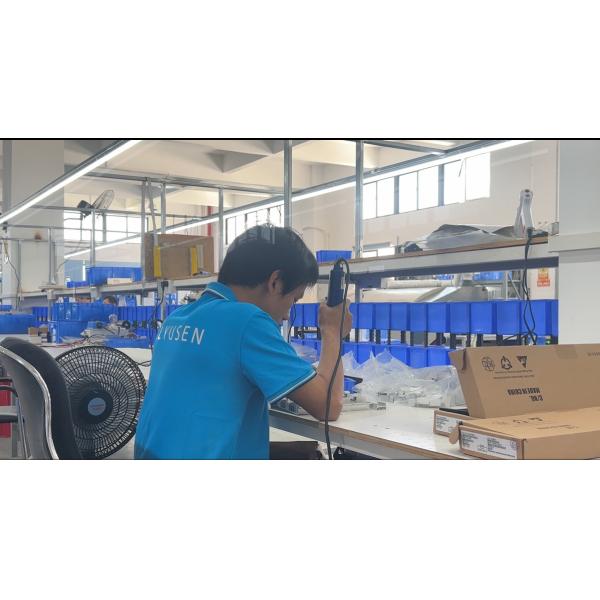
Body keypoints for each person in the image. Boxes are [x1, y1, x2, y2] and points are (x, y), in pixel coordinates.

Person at [134, 224, 352, 459]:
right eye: (294, 299)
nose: (287, 315)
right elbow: (328, 406)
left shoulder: (177, 318)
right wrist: (332, 331)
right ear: (276, 282)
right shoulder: (248, 321)